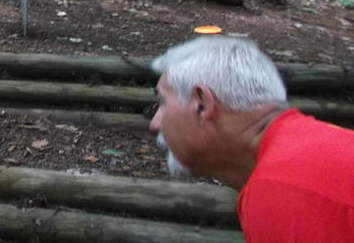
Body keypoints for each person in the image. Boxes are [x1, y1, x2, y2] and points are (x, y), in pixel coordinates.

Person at [149, 35, 354, 242]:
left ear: (202, 105)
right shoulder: (315, 147)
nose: (154, 124)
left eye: (163, 102)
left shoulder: (281, 193)